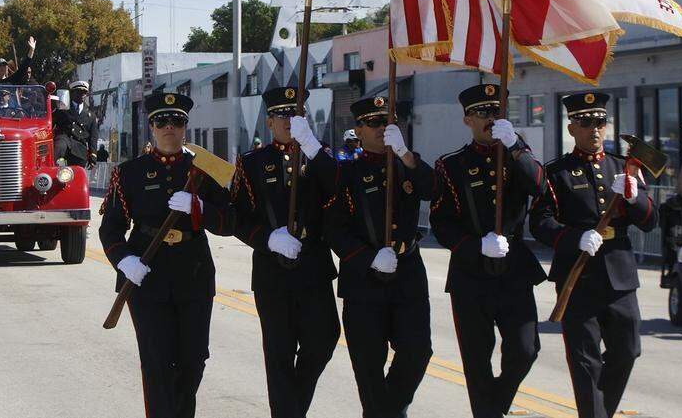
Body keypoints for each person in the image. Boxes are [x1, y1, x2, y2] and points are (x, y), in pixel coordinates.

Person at [294, 96, 435, 418]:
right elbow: (335, 231)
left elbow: (432, 189)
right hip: (364, 279)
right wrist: (367, 258)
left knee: (417, 352)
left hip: (407, 273)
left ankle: (389, 412)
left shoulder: (408, 164)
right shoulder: (347, 174)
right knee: (368, 365)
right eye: (373, 123)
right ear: (358, 130)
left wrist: (405, 154)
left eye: (388, 121)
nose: (382, 128)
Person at [98, 92, 235, 418]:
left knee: (193, 360)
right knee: (156, 363)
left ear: (185, 126)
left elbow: (230, 222)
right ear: (151, 127)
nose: (169, 127)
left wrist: (200, 208)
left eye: (176, 121)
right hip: (147, 276)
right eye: (161, 121)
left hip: (194, 274)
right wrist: (124, 261)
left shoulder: (204, 170)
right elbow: (111, 229)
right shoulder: (129, 172)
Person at [530, 92, 656, 418]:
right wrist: (574, 238)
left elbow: (649, 221)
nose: (594, 129)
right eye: (586, 123)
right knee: (585, 360)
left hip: (619, 273)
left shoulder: (623, 167)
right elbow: (540, 222)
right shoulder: (556, 172)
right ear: (572, 128)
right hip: (578, 275)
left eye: (600, 122)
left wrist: (633, 197)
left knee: (628, 350)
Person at [429, 84, 548, 418]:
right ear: (467, 120)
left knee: (525, 350)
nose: (491, 119)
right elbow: (441, 222)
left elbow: (539, 185)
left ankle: (494, 406)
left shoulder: (516, 155)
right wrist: (474, 245)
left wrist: (516, 146)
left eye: (496, 111)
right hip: (471, 274)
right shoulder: (451, 165)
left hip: (514, 270)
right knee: (477, 358)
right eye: (482, 113)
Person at [230, 87, 340, 418]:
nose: (289, 121)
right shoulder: (252, 163)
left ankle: (291, 410)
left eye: (295, 114)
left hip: (313, 263)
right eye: (282, 115)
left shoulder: (319, 156)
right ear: (269, 122)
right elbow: (238, 217)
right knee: (279, 353)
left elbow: (340, 188)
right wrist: (267, 238)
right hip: (273, 269)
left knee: (324, 339)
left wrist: (312, 147)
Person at [53, 80, 98, 168]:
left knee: (78, 172)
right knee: (59, 147)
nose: (82, 95)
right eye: (79, 92)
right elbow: (51, 124)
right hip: (64, 140)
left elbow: (93, 137)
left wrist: (93, 155)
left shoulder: (91, 115)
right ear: (72, 93)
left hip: (79, 147)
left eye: (84, 93)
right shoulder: (62, 108)